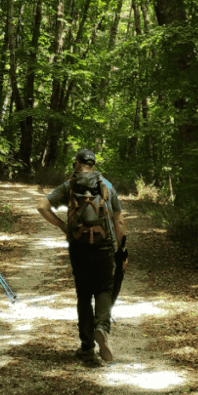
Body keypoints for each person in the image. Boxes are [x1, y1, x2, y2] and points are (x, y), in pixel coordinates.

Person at [37, 148, 128, 365]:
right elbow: (119, 221)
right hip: (104, 247)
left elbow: (42, 205)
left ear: (77, 164)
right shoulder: (107, 186)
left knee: (84, 296)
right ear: (93, 165)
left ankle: (87, 348)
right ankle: (102, 328)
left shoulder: (70, 185)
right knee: (105, 289)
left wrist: (62, 225)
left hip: (79, 247)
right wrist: (122, 250)